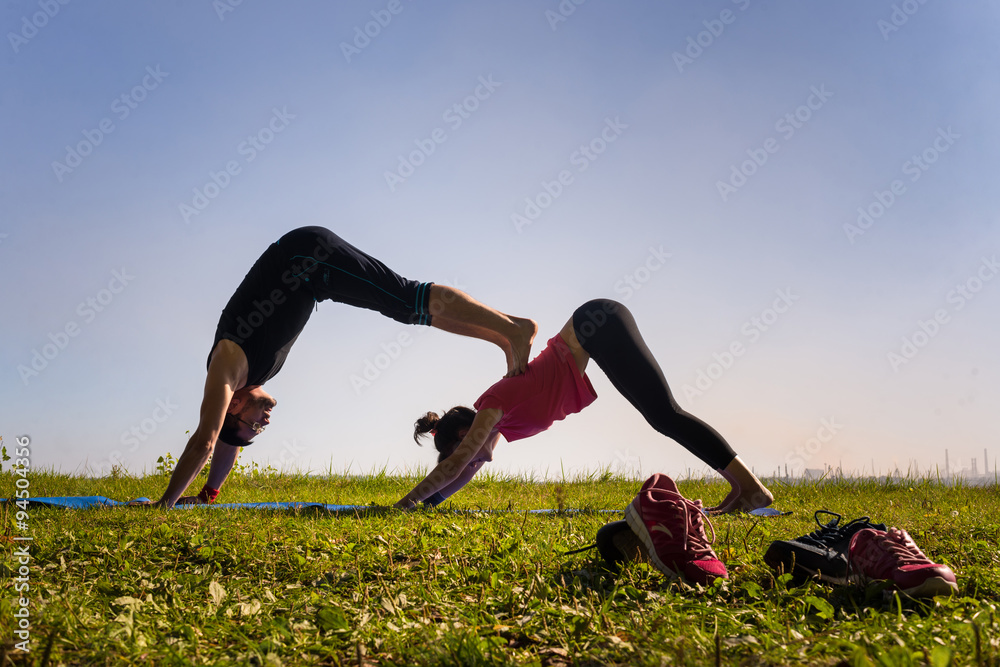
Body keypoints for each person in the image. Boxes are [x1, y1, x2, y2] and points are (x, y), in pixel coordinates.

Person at [142, 226, 536, 508]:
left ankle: (512, 330)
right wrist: (209, 496)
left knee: (404, 297)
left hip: (307, 258)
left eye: (253, 424)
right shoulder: (247, 384)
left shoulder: (224, 368)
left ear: (233, 407)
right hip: (314, 277)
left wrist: (165, 504)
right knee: (406, 309)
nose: (263, 423)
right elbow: (227, 444)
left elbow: (207, 442)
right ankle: (506, 334)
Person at [395, 299, 773, 514]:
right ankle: (747, 488)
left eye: (461, 447)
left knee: (664, 414)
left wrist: (405, 503)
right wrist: (431, 504)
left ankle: (751, 489)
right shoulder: (494, 430)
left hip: (596, 322)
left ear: (464, 434)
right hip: (595, 333)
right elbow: (467, 467)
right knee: (662, 416)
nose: (476, 456)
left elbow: (459, 463)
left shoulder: (493, 405)